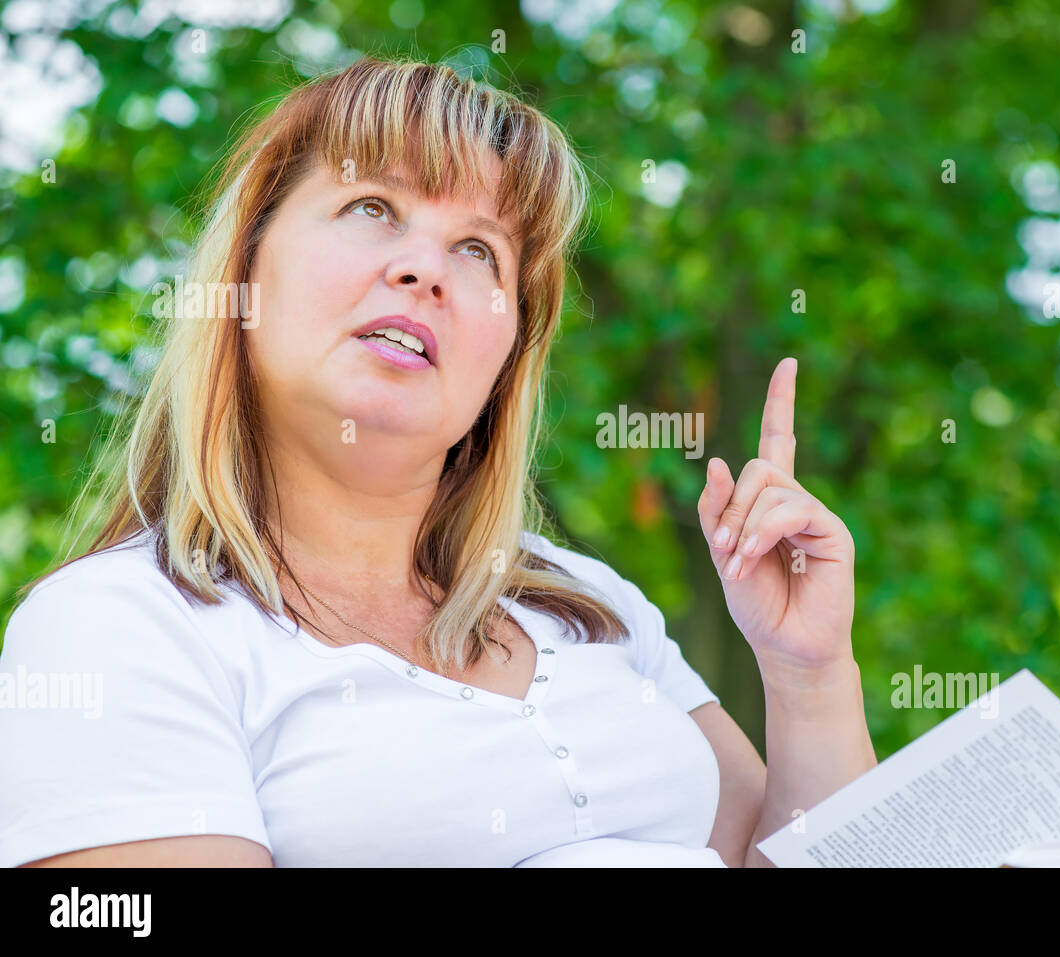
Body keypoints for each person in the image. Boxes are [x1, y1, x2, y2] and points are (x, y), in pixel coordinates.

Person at [0, 56, 874, 868]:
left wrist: (809, 675)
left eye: (478, 250)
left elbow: (778, 856)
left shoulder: (594, 604)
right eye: (372, 207)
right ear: (244, 272)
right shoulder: (117, 626)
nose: (426, 270)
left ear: (507, 359)